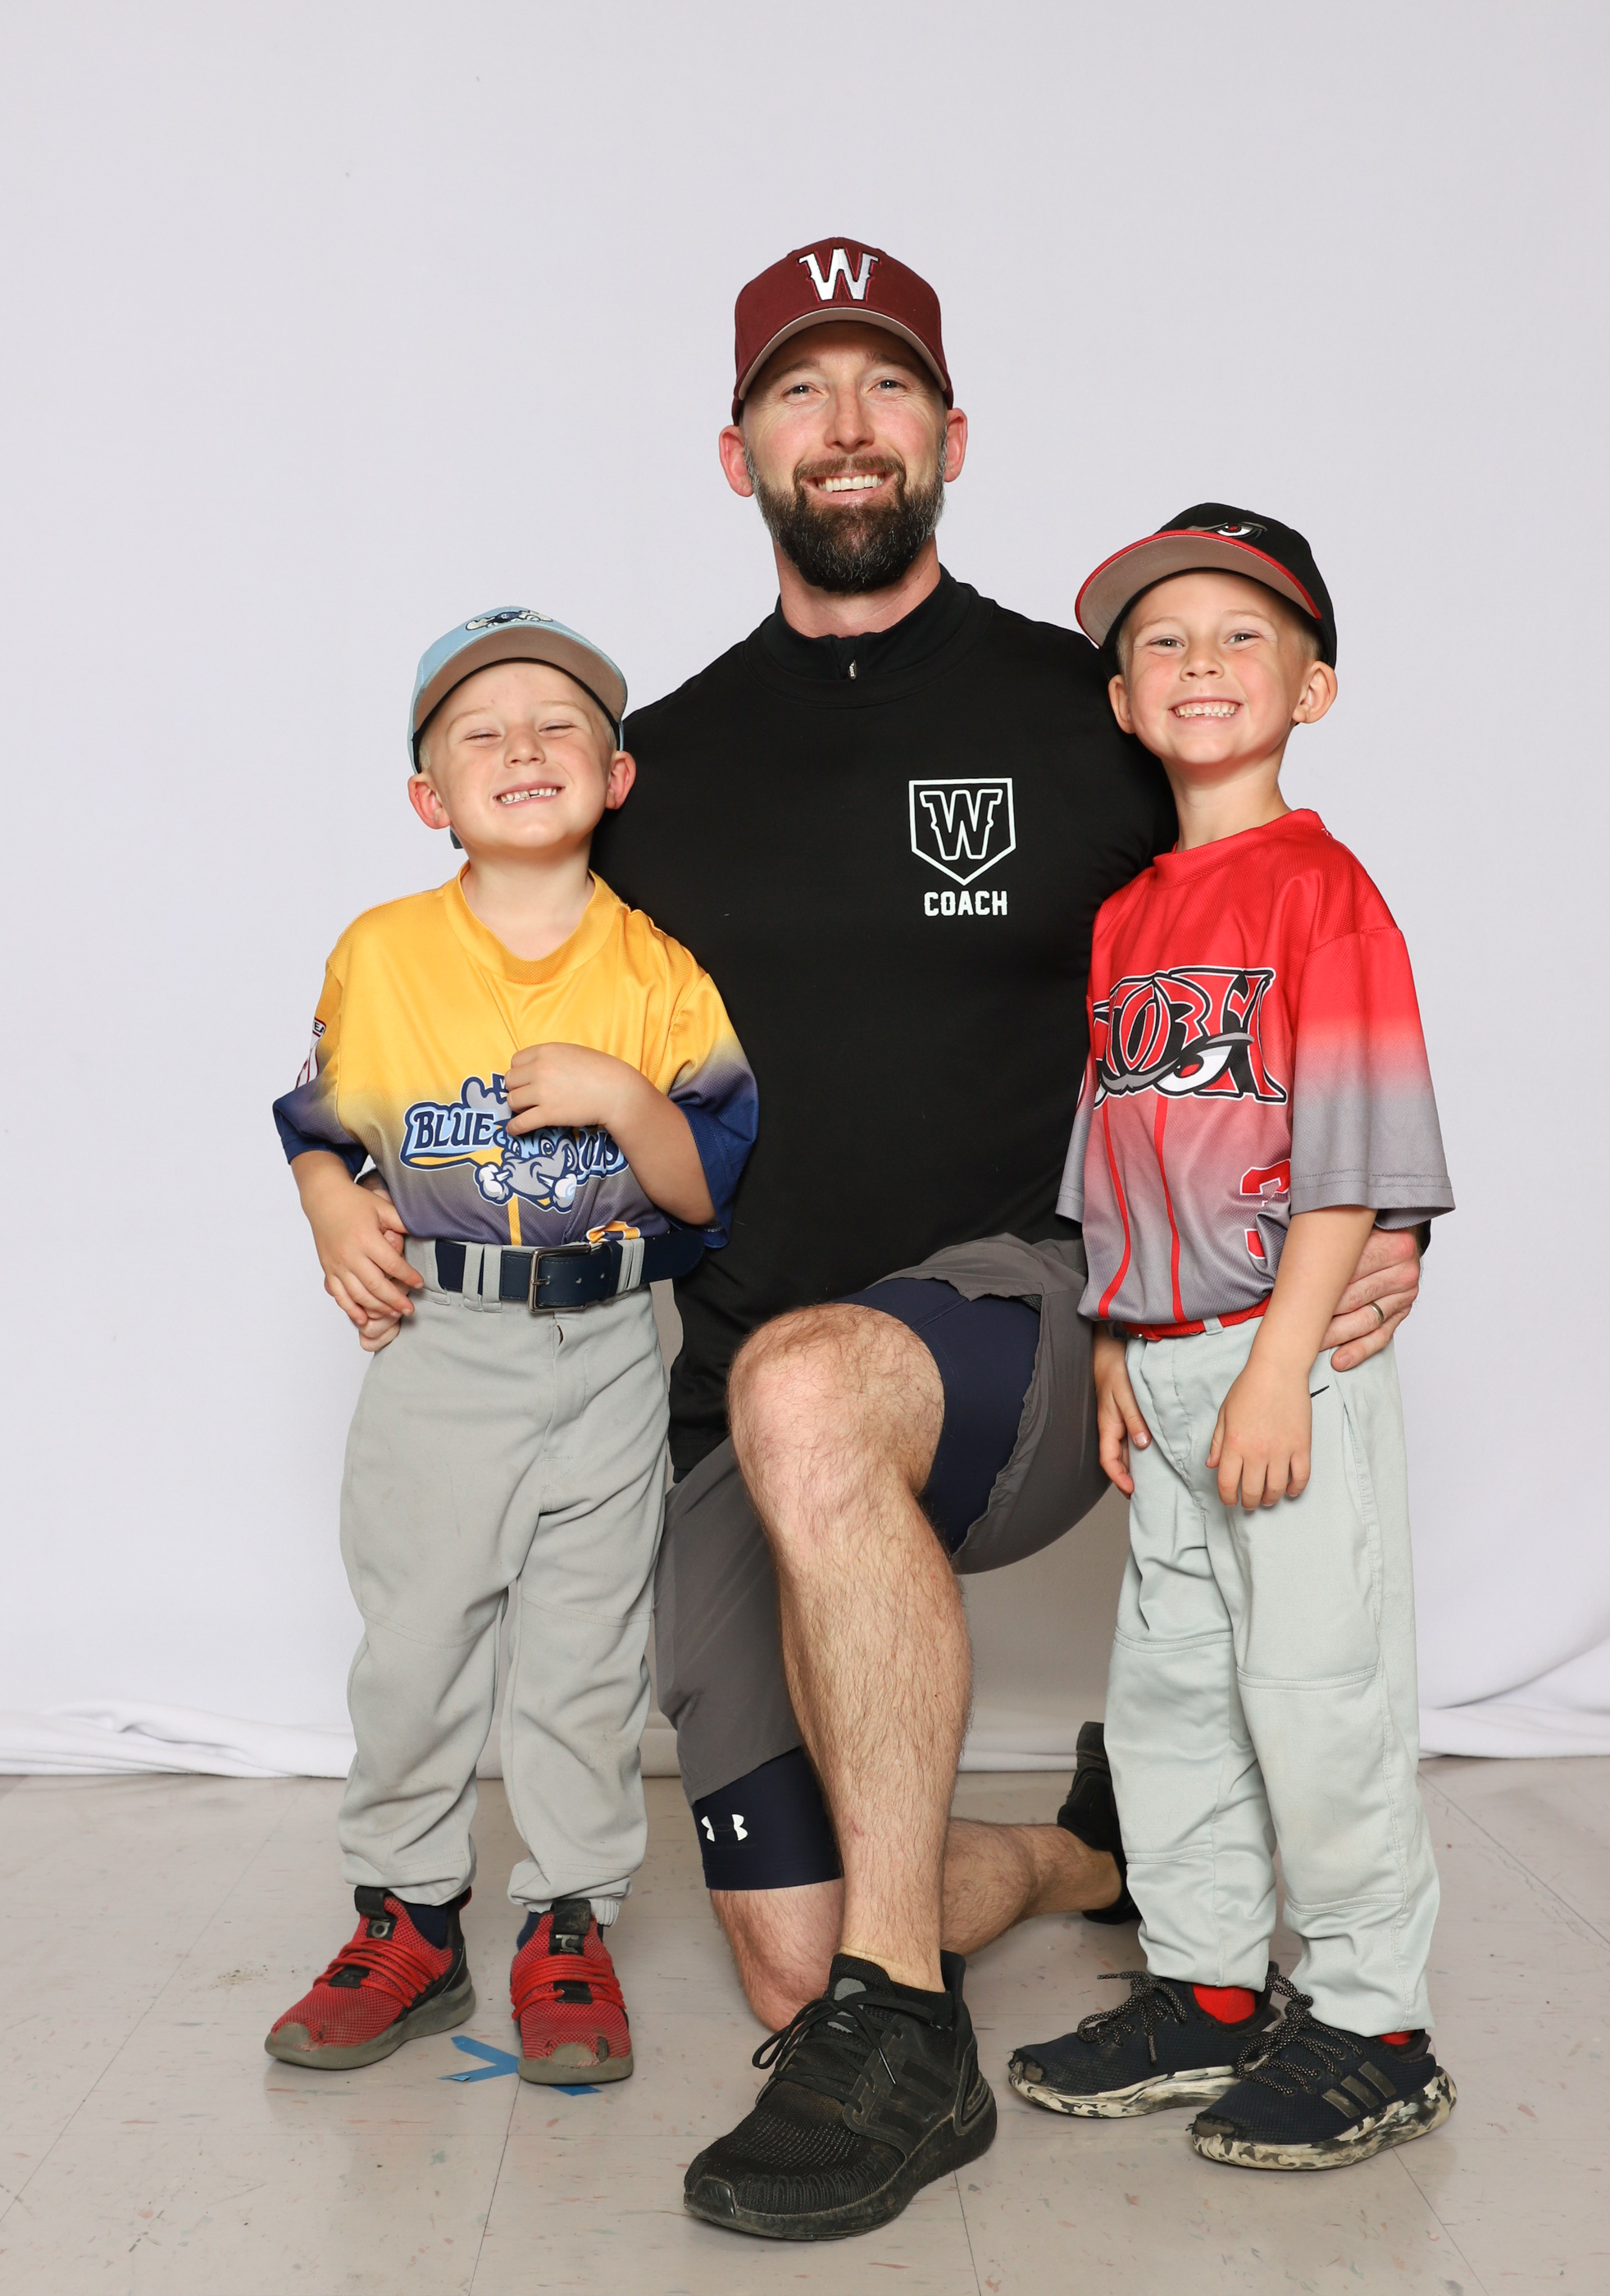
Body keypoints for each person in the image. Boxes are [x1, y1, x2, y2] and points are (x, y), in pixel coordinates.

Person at [594, 240, 1424, 2239]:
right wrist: (355, 1174)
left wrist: (1374, 1212)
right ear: (736, 450)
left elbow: (1289, 930)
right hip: (740, 1397)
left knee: (814, 1380)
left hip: (1043, 1323)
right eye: (802, 391)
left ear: (952, 437)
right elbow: (490, 985)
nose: (847, 425)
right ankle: (1078, 1861)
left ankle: (907, 2036)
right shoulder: (658, 767)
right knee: (788, 1952)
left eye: (887, 385)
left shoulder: (1094, 705)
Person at [1008, 509, 1457, 2171]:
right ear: (1124, 700)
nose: (1200, 663)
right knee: (1174, 1697)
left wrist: (1278, 1362)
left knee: (1317, 1695)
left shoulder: (1322, 891)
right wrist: (1115, 1341)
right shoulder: (1129, 916)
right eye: (1164, 641)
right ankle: (1205, 1987)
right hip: (1168, 1358)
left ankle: (1375, 2024)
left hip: (1289, 1362)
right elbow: (1118, 1146)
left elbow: (1349, 1149)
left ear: (1312, 686)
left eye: (1242, 634)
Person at [263, 609, 757, 2084]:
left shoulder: (659, 970)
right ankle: (407, 1919)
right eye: (481, 732)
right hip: (442, 1340)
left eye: (559, 726)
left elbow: (704, 1187)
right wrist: (327, 1204)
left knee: (582, 1663)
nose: (522, 749)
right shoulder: (386, 950)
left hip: (605, 1345)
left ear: (616, 776)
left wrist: (626, 1097)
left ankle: (566, 1922)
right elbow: (321, 1126)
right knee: (416, 1648)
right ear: (431, 795)